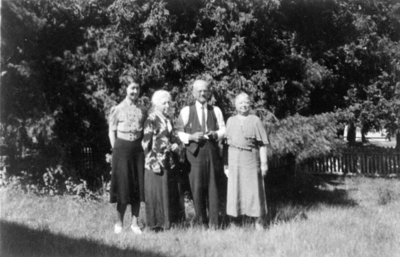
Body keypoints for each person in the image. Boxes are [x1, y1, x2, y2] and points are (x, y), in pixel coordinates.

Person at [176, 79, 226, 228]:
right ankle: (201, 223)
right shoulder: (186, 110)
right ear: (193, 93)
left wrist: (216, 134)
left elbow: (224, 129)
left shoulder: (215, 110)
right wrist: (191, 137)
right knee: (196, 188)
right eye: (199, 91)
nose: (203, 93)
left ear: (209, 92)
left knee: (213, 187)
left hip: (211, 152)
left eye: (205, 90)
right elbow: (177, 132)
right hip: (194, 154)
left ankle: (214, 223)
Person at [224, 92, 269, 230]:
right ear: (235, 105)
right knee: (234, 190)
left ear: (250, 104)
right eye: (240, 103)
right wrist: (226, 165)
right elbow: (226, 145)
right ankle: (234, 222)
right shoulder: (230, 121)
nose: (243, 105)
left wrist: (264, 163)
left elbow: (262, 144)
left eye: (246, 102)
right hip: (234, 160)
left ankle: (258, 222)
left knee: (254, 190)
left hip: (250, 159)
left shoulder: (255, 120)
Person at [141, 90, 184, 231]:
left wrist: (176, 144)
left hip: (168, 161)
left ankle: (168, 223)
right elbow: (145, 143)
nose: (167, 105)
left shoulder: (168, 119)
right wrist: (153, 162)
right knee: (156, 194)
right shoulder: (151, 119)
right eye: (163, 103)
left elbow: (174, 137)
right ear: (156, 104)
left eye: (168, 102)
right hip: (155, 162)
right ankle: (155, 225)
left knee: (167, 193)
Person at [108, 77, 145, 234]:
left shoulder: (143, 109)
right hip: (121, 149)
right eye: (132, 88)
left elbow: (145, 130)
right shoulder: (117, 109)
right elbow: (111, 130)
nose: (135, 91)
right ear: (126, 90)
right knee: (123, 187)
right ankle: (119, 223)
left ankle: (135, 223)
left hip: (137, 150)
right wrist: (114, 148)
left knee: (137, 186)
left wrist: (144, 145)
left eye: (137, 88)